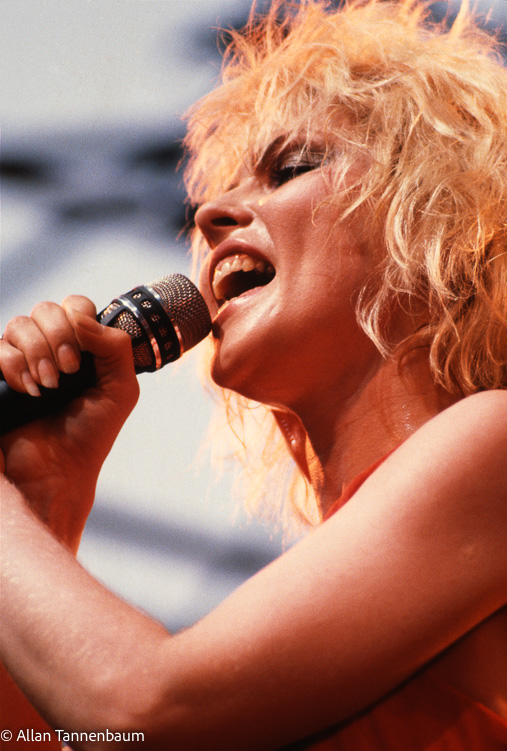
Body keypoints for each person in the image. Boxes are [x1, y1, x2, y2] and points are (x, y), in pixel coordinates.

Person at [1, 0, 506, 748]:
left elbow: (141, 711)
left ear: (435, 228)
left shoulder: (493, 442)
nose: (209, 216)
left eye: (291, 168)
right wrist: (43, 512)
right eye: (219, 190)